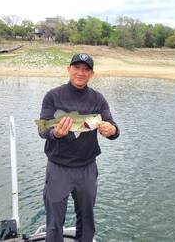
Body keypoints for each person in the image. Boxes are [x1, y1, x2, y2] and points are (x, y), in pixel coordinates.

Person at [38, 53, 119, 242]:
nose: (81, 73)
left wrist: (111, 130)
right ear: (69, 69)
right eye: (77, 68)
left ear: (92, 74)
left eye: (86, 69)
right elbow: (43, 130)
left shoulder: (98, 99)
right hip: (58, 168)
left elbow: (112, 127)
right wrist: (55, 133)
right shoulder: (52, 96)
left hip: (87, 169)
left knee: (87, 220)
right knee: (54, 222)